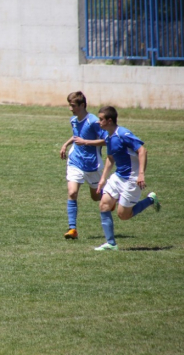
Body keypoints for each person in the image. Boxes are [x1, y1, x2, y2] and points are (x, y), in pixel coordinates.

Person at [94, 106, 161, 251]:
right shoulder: (108, 136)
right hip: (118, 177)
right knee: (104, 204)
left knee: (123, 215)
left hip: (132, 179)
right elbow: (110, 158)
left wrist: (141, 174)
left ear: (109, 120)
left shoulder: (123, 134)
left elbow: (142, 150)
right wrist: (103, 179)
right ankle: (111, 244)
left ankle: (150, 199)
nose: (98, 122)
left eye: (101, 119)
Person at [60, 91, 107, 240]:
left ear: (82, 105)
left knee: (96, 197)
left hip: (93, 164)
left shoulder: (93, 121)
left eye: (73, 106)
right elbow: (76, 136)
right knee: (72, 193)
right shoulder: (73, 120)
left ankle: (115, 198)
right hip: (75, 161)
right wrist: (66, 145)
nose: (70, 108)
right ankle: (72, 229)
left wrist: (86, 142)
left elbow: (106, 140)